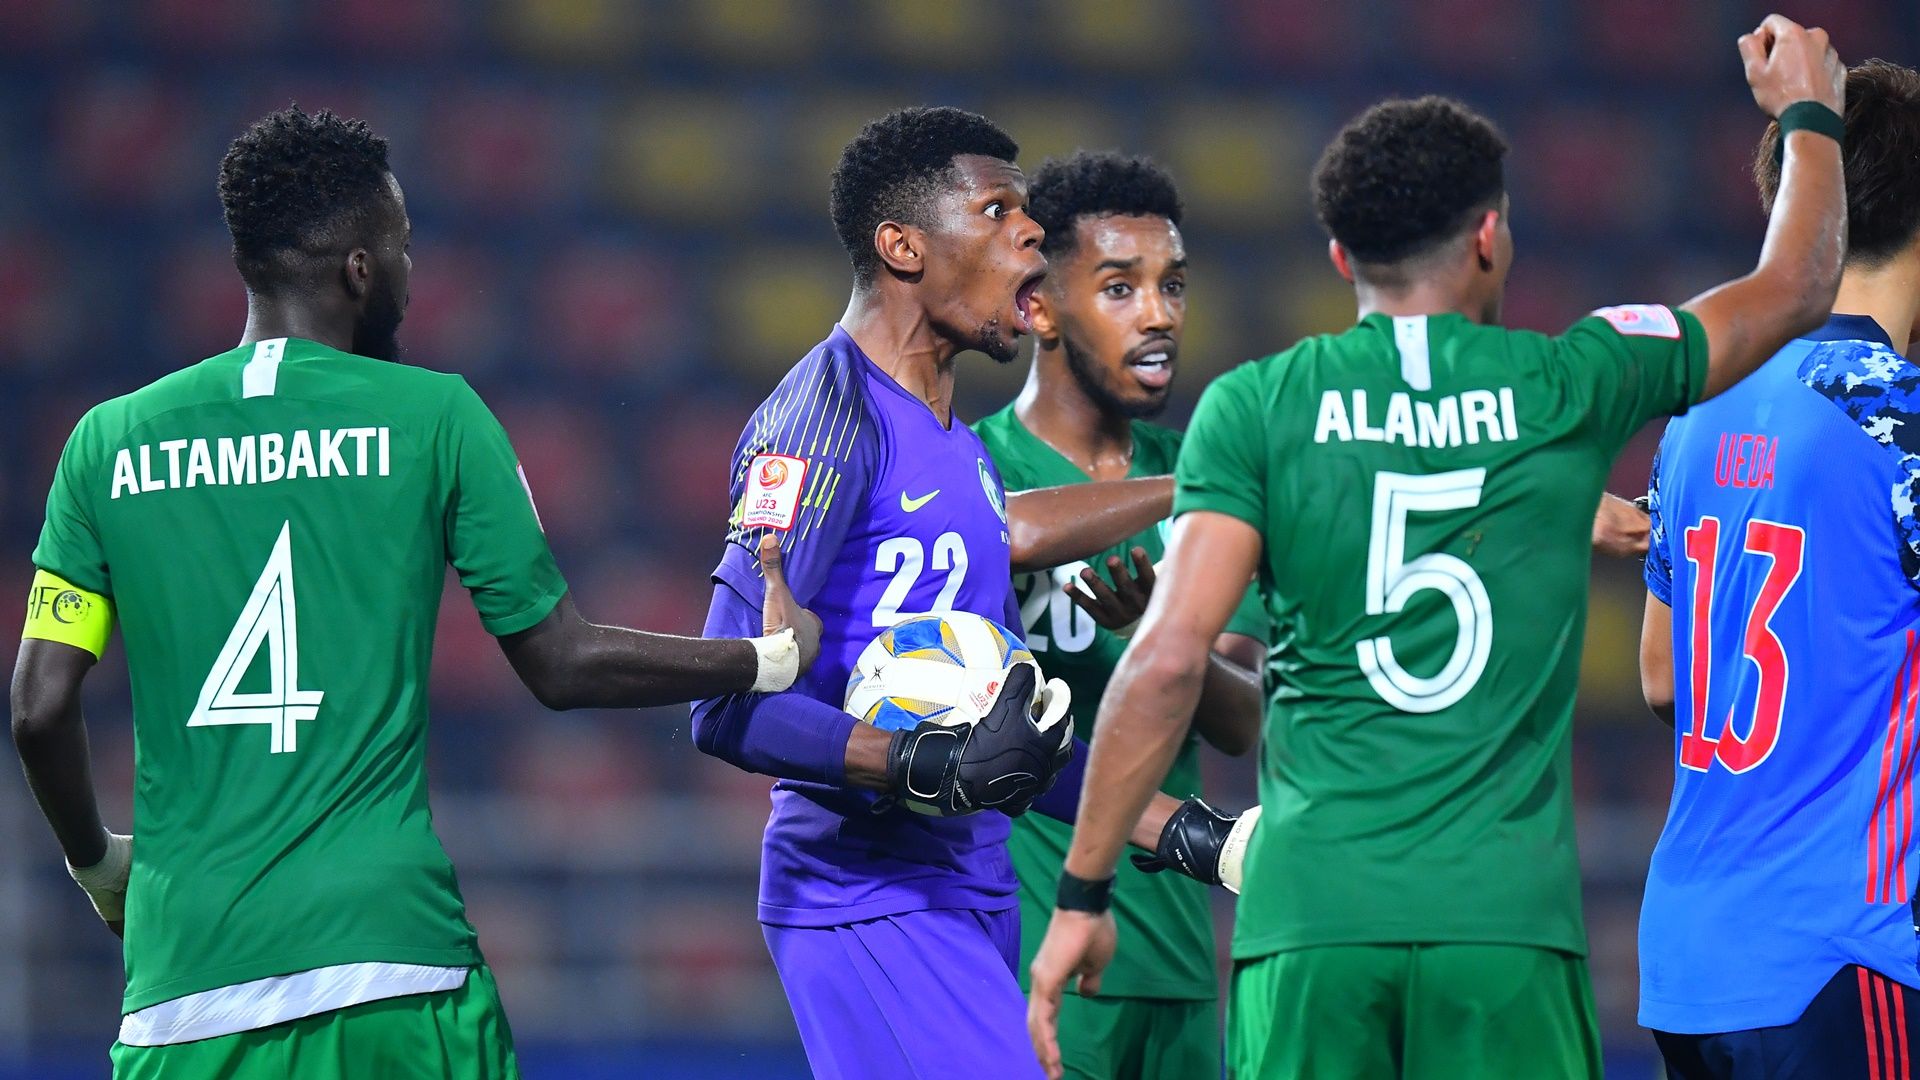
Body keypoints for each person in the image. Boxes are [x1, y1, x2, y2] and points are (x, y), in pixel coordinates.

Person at [1027, 16, 1848, 1080]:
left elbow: (1170, 657)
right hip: (1501, 929)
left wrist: (1086, 894)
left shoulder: (1257, 409)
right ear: (1490, 235)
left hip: (1311, 922)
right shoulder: (1572, 384)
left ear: (1339, 255)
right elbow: (1796, 286)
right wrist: (1809, 114)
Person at [9, 106, 822, 1080]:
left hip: (185, 991)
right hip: (393, 966)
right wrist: (769, 658)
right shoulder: (436, 418)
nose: (408, 270)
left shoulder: (107, 445)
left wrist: (98, 862)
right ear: (360, 269)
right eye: (400, 246)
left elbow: (39, 704)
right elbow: (560, 664)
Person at [689, 107, 1248, 1079]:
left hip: (975, 889)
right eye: (997, 212)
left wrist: (1194, 836)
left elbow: (1012, 742)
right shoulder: (821, 422)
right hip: (863, 894)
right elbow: (729, 703)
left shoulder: (962, 452)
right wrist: (920, 760)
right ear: (902, 246)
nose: (1030, 233)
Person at [1637, 59, 1920, 1080]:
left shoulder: (1699, 408)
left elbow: (1664, 678)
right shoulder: (1899, 417)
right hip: (1845, 956)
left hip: (1689, 962)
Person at [972, 150, 1267, 1080]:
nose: (1159, 314)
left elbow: (1243, 717)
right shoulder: (973, 467)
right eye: (1119, 287)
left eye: (1171, 285)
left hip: (1180, 952)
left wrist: (1158, 635)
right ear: (1041, 307)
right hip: (1029, 953)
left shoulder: (1205, 466)